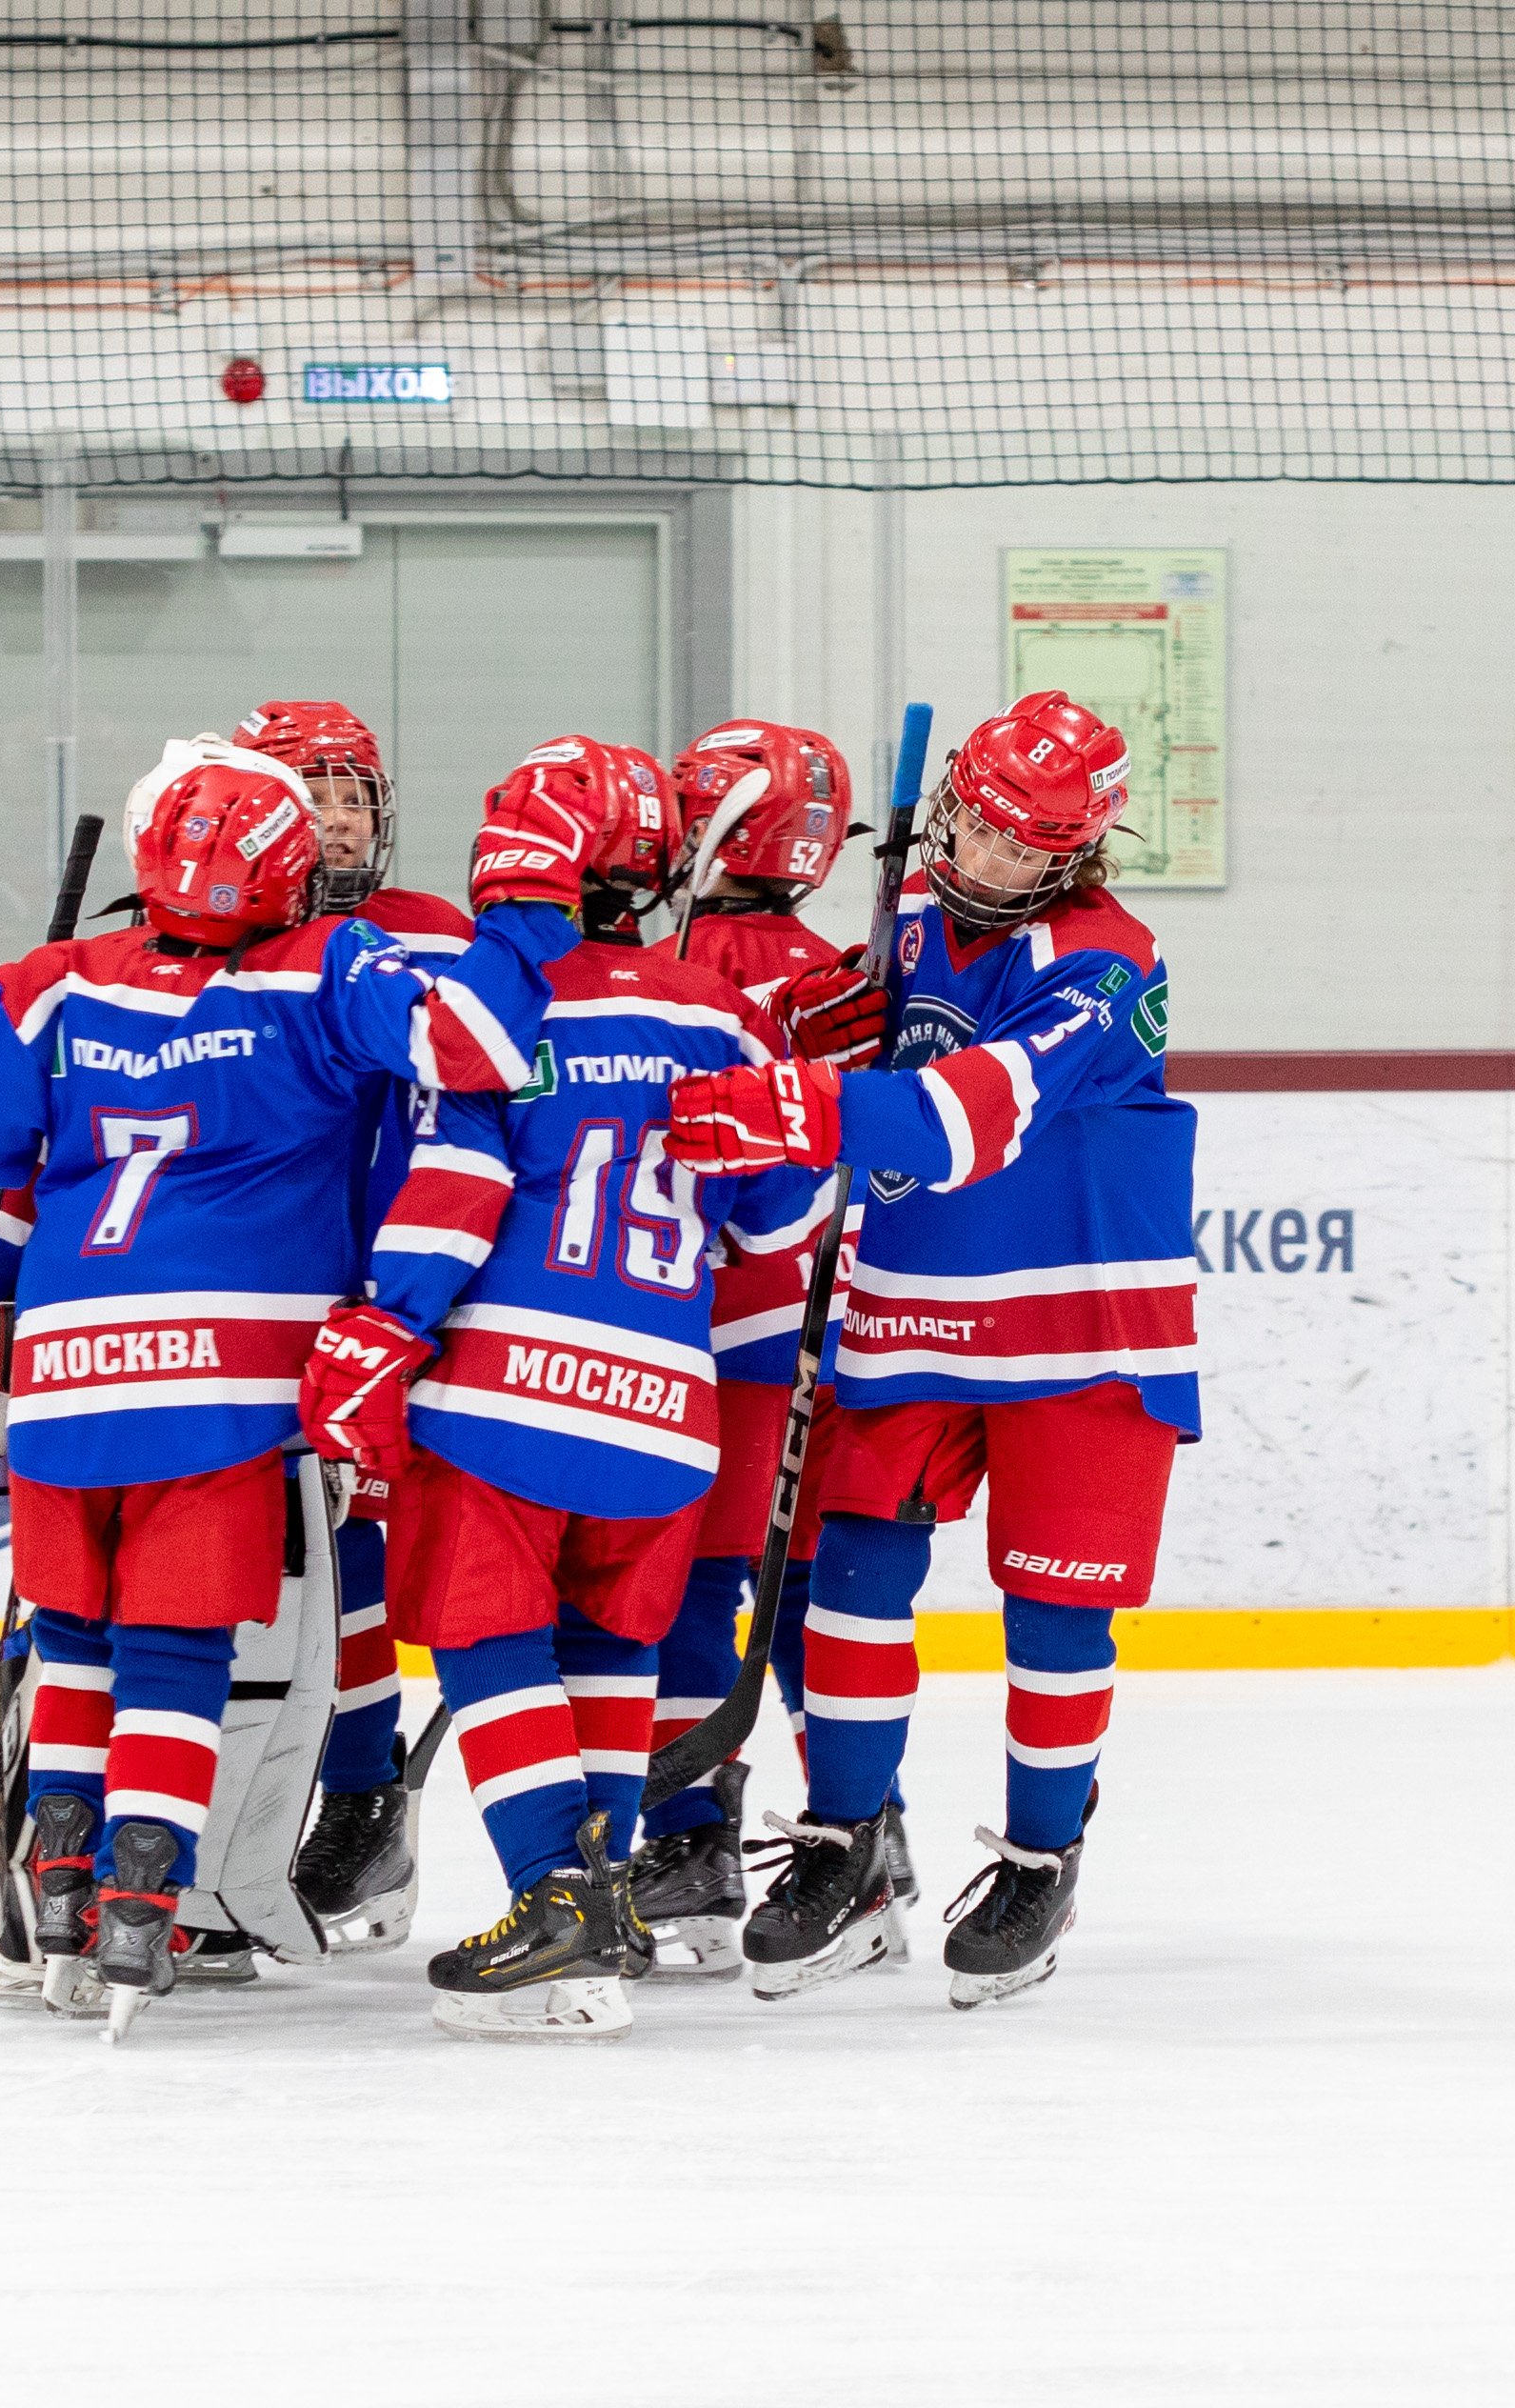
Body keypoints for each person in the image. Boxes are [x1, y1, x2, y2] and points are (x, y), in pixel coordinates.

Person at [0, 732, 600, 2033]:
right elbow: (483, 1042)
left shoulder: (55, 982)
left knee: (72, 1637)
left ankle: (58, 1871)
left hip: (70, 1374)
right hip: (238, 1383)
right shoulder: (328, 967)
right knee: (176, 1650)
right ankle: (144, 1899)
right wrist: (530, 920)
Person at [664, 691, 1199, 2008]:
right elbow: (888, 1036)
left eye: (1027, 848)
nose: (990, 861)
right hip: (913, 1305)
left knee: (1055, 1614)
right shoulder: (915, 915)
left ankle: (1040, 1856)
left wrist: (802, 1101)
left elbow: (971, 1113)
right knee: (850, 1578)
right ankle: (847, 1849)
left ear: (1076, 852)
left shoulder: (1107, 963)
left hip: (1083, 1324)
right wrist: (837, 1017)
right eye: (978, 827)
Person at [299, 734, 836, 2042]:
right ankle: (603, 1905)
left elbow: (454, 1195)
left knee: (490, 1647)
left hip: (507, 1400)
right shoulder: (719, 1010)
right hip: (666, 1408)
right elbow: (778, 1220)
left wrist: (381, 1328)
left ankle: (556, 1898)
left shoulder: (502, 1013)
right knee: (606, 1651)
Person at [620, 718, 906, 1977]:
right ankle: (867, 1826)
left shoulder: (646, 962)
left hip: (675, 1317)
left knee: (690, 1583)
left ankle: (689, 1838)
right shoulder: (829, 971)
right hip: (792, 1322)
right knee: (792, 1586)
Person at [221, 699, 463, 1957]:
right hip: (251, 1287)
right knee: (244, 1564)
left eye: (351, 792)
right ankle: (220, 1821)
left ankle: (365, 1802)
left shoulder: (431, 936)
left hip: (399, 1290)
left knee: (349, 1551)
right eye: (304, 791)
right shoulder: (210, 934)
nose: (334, 816)